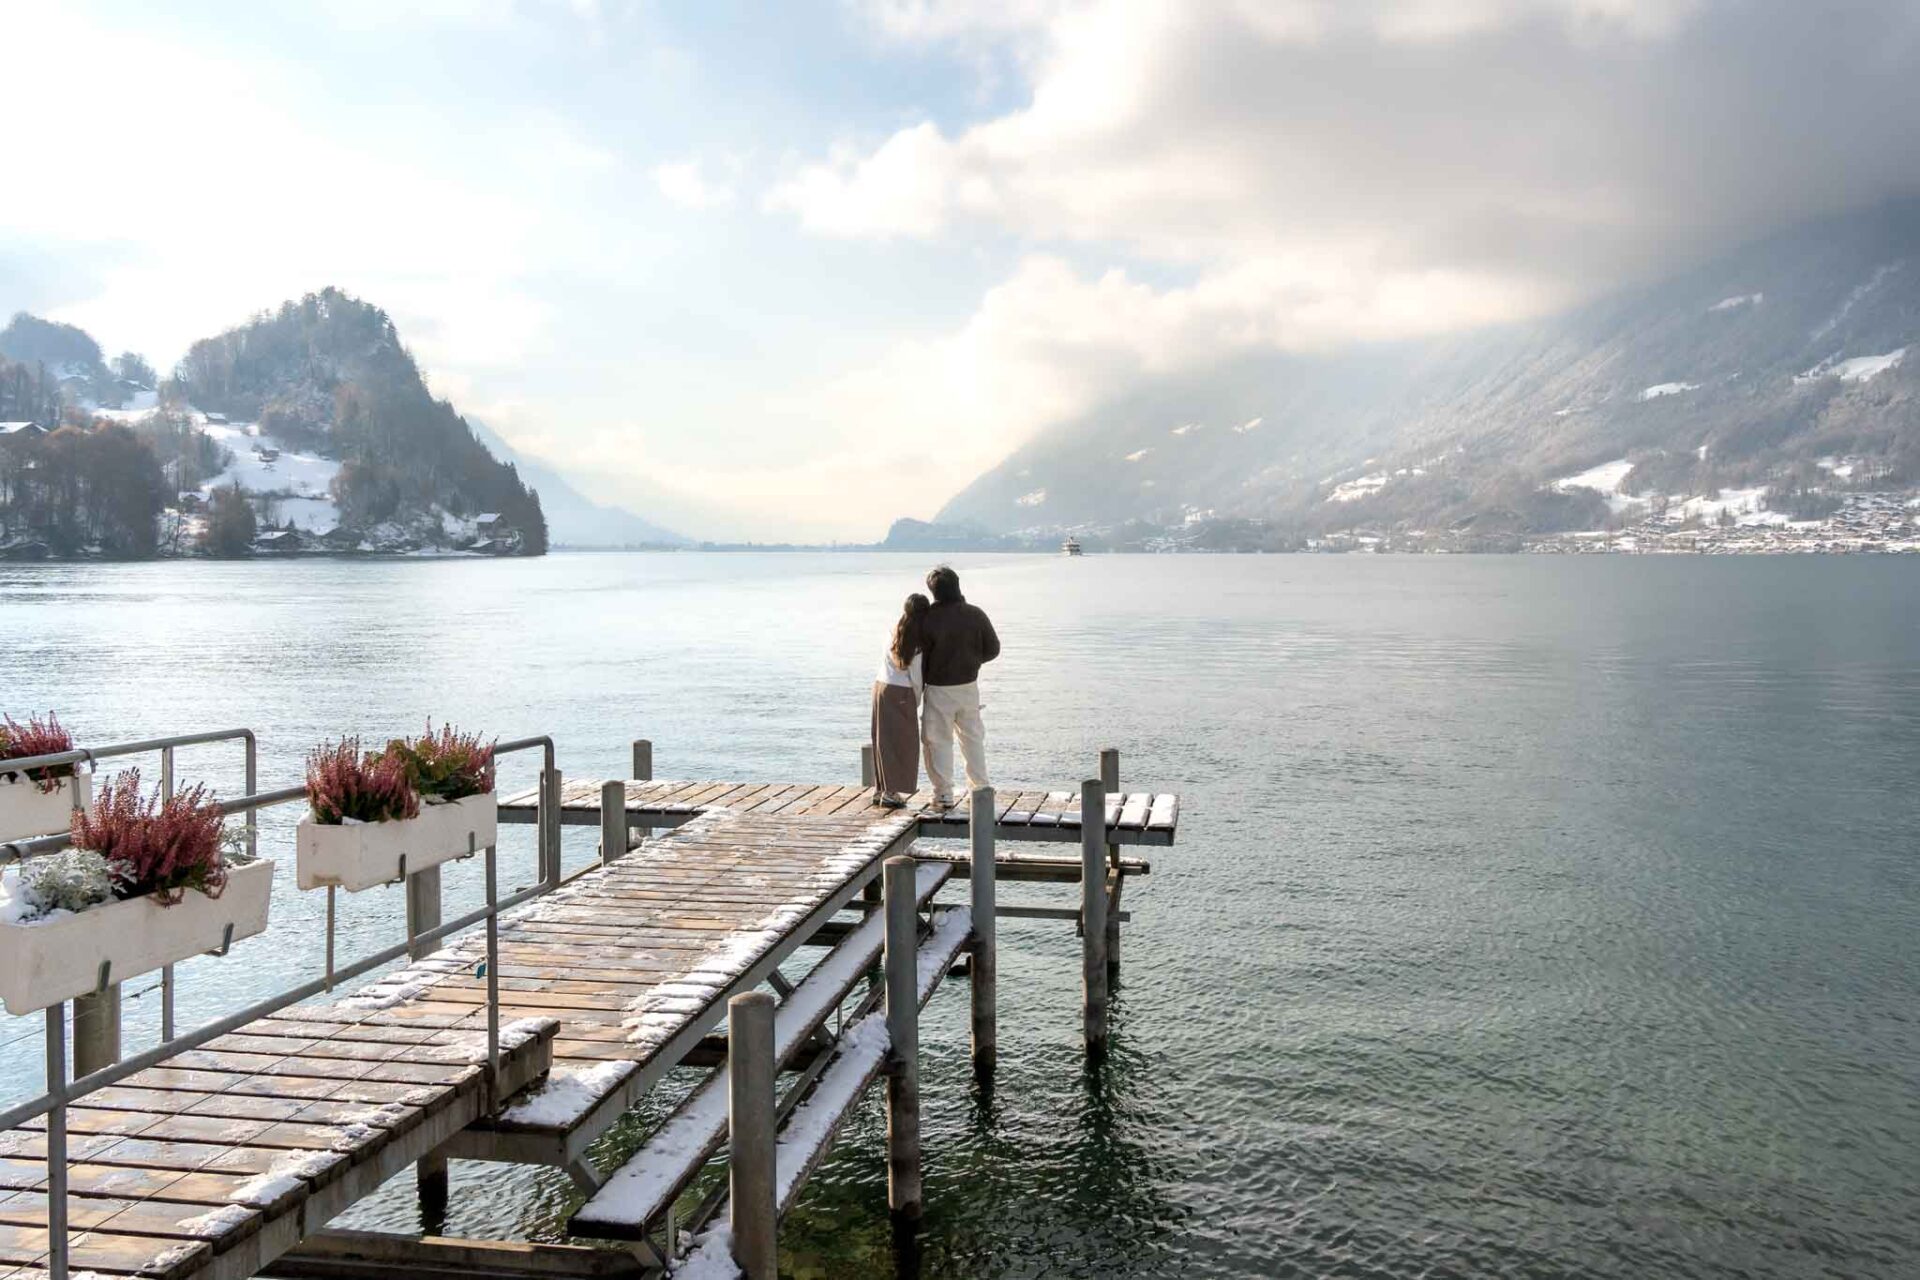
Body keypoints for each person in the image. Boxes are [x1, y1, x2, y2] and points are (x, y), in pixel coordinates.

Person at [918, 564, 1000, 806]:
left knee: (937, 740)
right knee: (972, 738)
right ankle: (981, 789)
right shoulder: (976, 614)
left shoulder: (928, 619)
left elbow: (919, 656)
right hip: (968, 686)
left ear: (934, 592)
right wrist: (972, 661)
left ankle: (943, 793)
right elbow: (993, 649)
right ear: (957, 586)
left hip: (938, 688)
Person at [870, 593, 927, 807]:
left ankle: (880, 789)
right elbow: (916, 679)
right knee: (903, 743)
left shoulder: (893, 629)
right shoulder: (917, 642)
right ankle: (891, 793)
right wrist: (917, 701)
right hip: (901, 692)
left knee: (882, 740)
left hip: (880, 686)